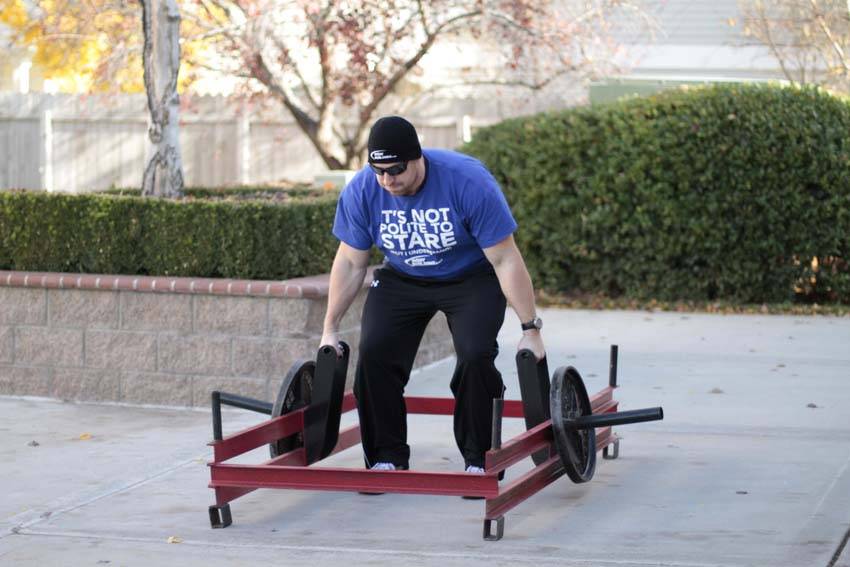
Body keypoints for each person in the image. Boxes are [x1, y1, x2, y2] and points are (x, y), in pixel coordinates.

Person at [319, 115, 545, 474]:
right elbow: (349, 261)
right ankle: (385, 457)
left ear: (416, 156)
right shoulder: (364, 190)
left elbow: (504, 258)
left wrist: (530, 329)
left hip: (470, 277)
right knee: (375, 354)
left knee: (474, 355)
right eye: (378, 170)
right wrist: (329, 328)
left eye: (395, 169)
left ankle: (480, 459)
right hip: (403, 277)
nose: (387, 180)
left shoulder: (467, 181)